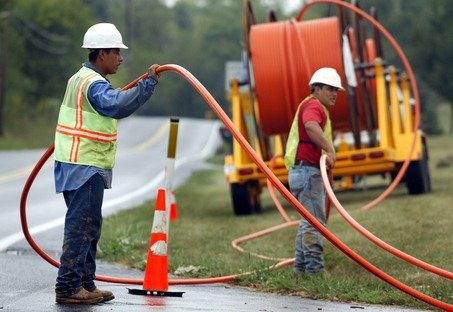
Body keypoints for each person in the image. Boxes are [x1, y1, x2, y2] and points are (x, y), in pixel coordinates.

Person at [53, 23, 160, 304]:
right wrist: (147, 85)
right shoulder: (93, 84)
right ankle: (68, 287)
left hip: (77, 164)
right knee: (82, 226)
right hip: (84, 165)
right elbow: (116, 105)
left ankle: (85, 284)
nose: (121, 58)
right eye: (116, 52)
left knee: (89, 225)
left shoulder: (81, 78)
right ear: (101, 54)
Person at [284, 67, 343, 276]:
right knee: (315, 223)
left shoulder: (317, 107)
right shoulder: (313, 105)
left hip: (305, 171)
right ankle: (315, 272)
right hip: (306, 172)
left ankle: (300, 271)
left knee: (308, 221)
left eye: (336, 89)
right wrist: (328, 148)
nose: (334, 93)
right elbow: (310, 126)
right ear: (316, 89)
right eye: (329, 88)